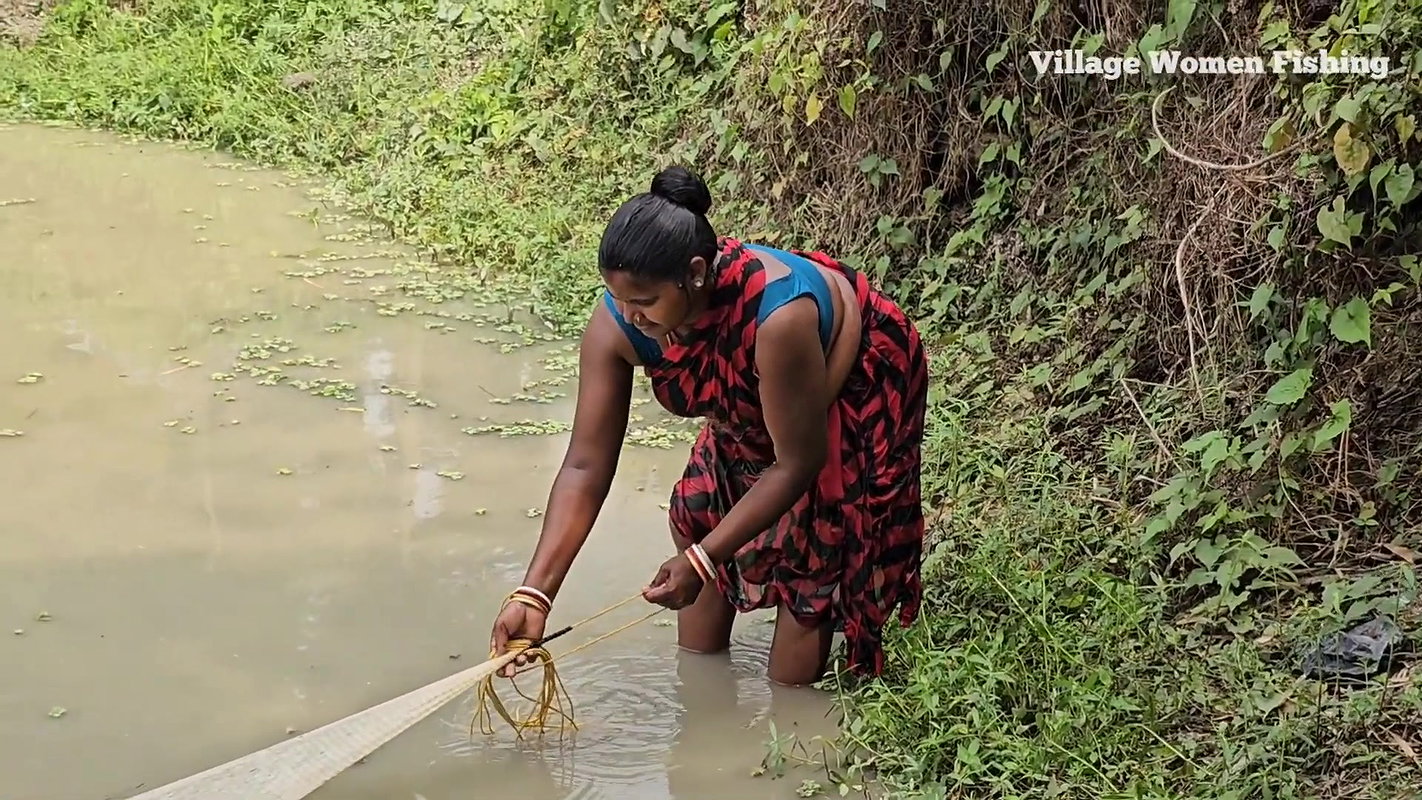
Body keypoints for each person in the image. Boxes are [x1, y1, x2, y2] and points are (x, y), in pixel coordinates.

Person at [488, 165, 929, 686]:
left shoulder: (776, 319)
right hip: (753, 407)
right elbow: (585, 464)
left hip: (851, 376)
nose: (630, 316)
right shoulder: (619, 324)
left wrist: (702, 561)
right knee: (701, 516)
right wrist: (534, 593)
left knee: (814, 550)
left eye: (646, 302)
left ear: (696, 274)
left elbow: (798, 462)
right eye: (620, 299)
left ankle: (792, 722)